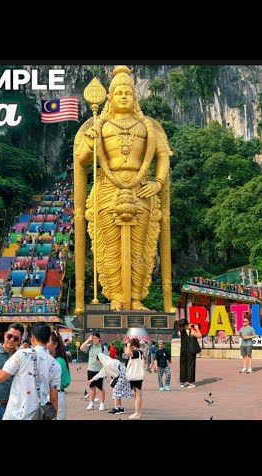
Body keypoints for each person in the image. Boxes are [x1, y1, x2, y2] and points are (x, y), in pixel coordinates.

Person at [73, 65, 174, 313]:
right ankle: (115, 298)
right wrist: (90, 139)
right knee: (110, 247)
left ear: (135, 96)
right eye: (118, 93)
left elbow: (163, 156)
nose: (124, 97)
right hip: (108, 189)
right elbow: (82, 160)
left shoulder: (148, 126)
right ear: (110, 97)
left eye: (128, 92)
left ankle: (137, 298)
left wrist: (158, 182)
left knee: (141, 247)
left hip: (142, 190)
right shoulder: (100, 124)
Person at [0, 321, 61, 420]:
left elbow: (0, 377)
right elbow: (54, 398)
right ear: (48, 340)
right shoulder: (55, 365)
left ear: (32, 338)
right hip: (39, 413)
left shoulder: (22, 354)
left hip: (16, 413)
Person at [80, 332, 106, 411]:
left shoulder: (103, 347)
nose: (94, 340)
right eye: (93, 338)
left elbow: (107, 359)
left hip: (100, 371)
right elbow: (81, 348)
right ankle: (91, 403)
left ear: (99, 339)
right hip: (90, 370)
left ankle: (102, 404)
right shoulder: (90, 346)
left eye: (96, 338)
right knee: (92, 388)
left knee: (100, 388)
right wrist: (88, 339)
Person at [47, 331, 70, 420]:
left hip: (56, 395)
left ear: (55, 344)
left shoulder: (58, 361)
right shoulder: (52, 359)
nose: (44, 344)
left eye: (47, 341)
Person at [124, 338, 144, 419]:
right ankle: (137, 412)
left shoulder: (136, 352)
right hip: (136, 376)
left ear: (132, 345)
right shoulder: (138, 352)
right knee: (136, 394)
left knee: (138, 395)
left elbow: (128, 354)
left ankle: (137, 413)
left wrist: (128, 346)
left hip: (136, 377)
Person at [178, 319, 201, 388]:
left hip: (183, 351)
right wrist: (196, 328)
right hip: (190, 351)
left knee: (183, 366)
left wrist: (188, 327)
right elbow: (199, 336)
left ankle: (183, 382)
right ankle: (191, 383)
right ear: (186, 324)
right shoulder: (191, 331)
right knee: (190, 366)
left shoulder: (180, 332)